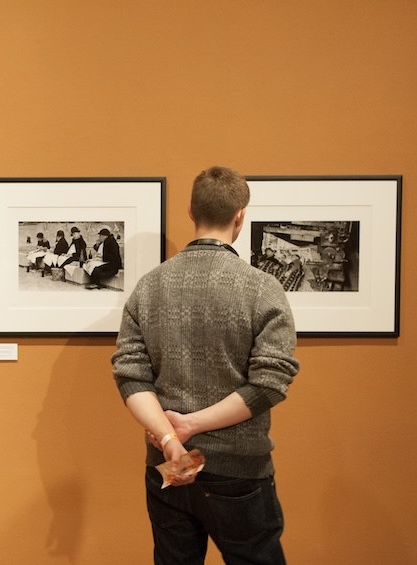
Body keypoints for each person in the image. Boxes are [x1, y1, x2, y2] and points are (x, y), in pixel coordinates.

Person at [111, 166, 299, 565]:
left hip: (167, 464)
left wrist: (170, 438)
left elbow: (130, 374)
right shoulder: (262, 288)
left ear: (190, 212)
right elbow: (270, 383)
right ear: (240, 216)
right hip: (239, 471)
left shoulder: (150, 286)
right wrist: (191, 425)